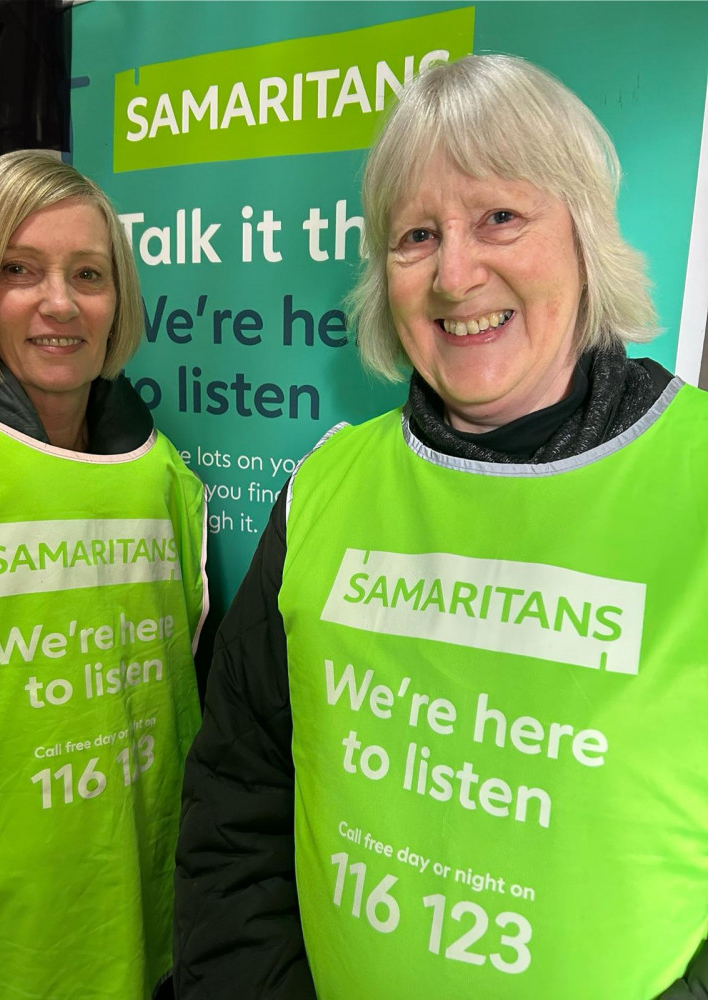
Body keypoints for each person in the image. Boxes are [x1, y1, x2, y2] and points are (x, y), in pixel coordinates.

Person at [174, 55, 708, 999]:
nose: (456, 275)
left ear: (585, 235)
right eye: (417, 235)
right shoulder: (324, 488)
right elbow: (238, 806)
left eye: (500, 216)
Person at [0, 150, 209, 1000]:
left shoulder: (165, 477)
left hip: (149, 938)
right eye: (17, 271)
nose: (59, 304)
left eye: (88, 274)